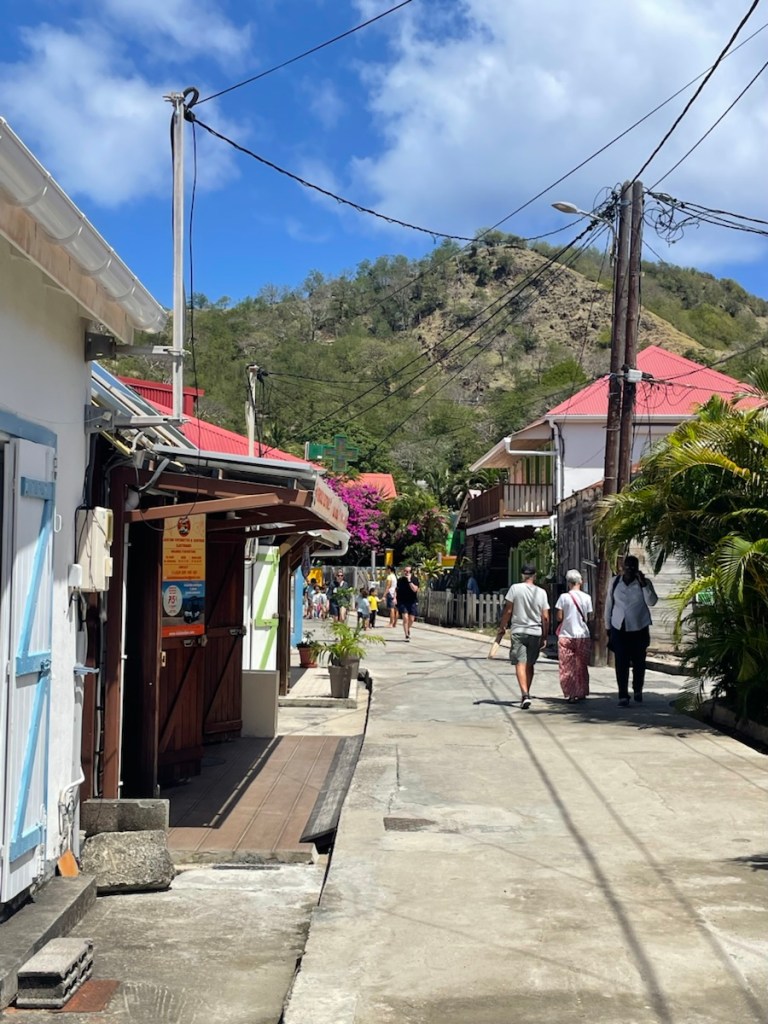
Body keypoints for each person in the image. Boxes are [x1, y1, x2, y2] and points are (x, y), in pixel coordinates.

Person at [604, 554, 658, 707]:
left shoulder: (644, 583)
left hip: (639, 627)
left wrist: (643, 583)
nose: (629, 569)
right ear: (623, 567)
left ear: (637, 568)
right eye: (627, 566)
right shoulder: (615, 582)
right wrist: (608, 626)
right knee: (621, 662)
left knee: (639, 662)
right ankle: (623, 694)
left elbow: (652, 602)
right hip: (619, 627)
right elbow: (609, 604)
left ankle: (637, 689)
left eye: (633, 567)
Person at [495, 564, 550, 709]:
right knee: (530, 664)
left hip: (519, 630)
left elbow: (508, 610)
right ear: (535, 576)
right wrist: (545, 636)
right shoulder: (541, 592)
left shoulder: (515, 588)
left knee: (520, 663)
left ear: (522, 575)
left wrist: (502, 626)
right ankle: (526, 694)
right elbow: (545, 617)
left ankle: (525, 694)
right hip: (535, 632)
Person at [555, 569, 593, 702]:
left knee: (567, 665)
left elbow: (559, 617)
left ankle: (571, 693)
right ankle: (582, 691)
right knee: (581, 665)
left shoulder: (563, 597)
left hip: (566, 634)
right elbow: (589, 616)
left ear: (568, 583)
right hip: (583, 635)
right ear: (580, 582)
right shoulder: (587, 598)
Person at [396, 565, 420, 642]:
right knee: (405, 618)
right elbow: (397, 590)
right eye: (405, 571)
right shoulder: (400, 580)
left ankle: (407, 628)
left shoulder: (414, 579)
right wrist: (395, 598)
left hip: (412, 601)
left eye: (407, 571)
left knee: (412, 619)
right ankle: (406, 635)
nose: (406, 573)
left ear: (411, 572)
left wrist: (409, 581)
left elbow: (415, 590)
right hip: (402, 601)